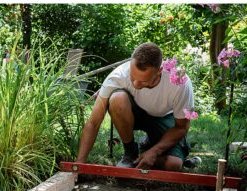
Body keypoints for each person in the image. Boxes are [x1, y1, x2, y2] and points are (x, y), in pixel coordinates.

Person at [76, 42, 194, 171]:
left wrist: (154, 152)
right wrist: (79, 164)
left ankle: (149, 146)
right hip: (136, 114)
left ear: (159, 71)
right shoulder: (117, 76)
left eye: (144, 80)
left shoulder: (179, 80)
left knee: (173, 165)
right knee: (117, 99)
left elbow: (182, 127)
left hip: (165, 118)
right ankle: (130, 152)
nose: (136, 84)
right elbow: (93, 123)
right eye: (132, 77)